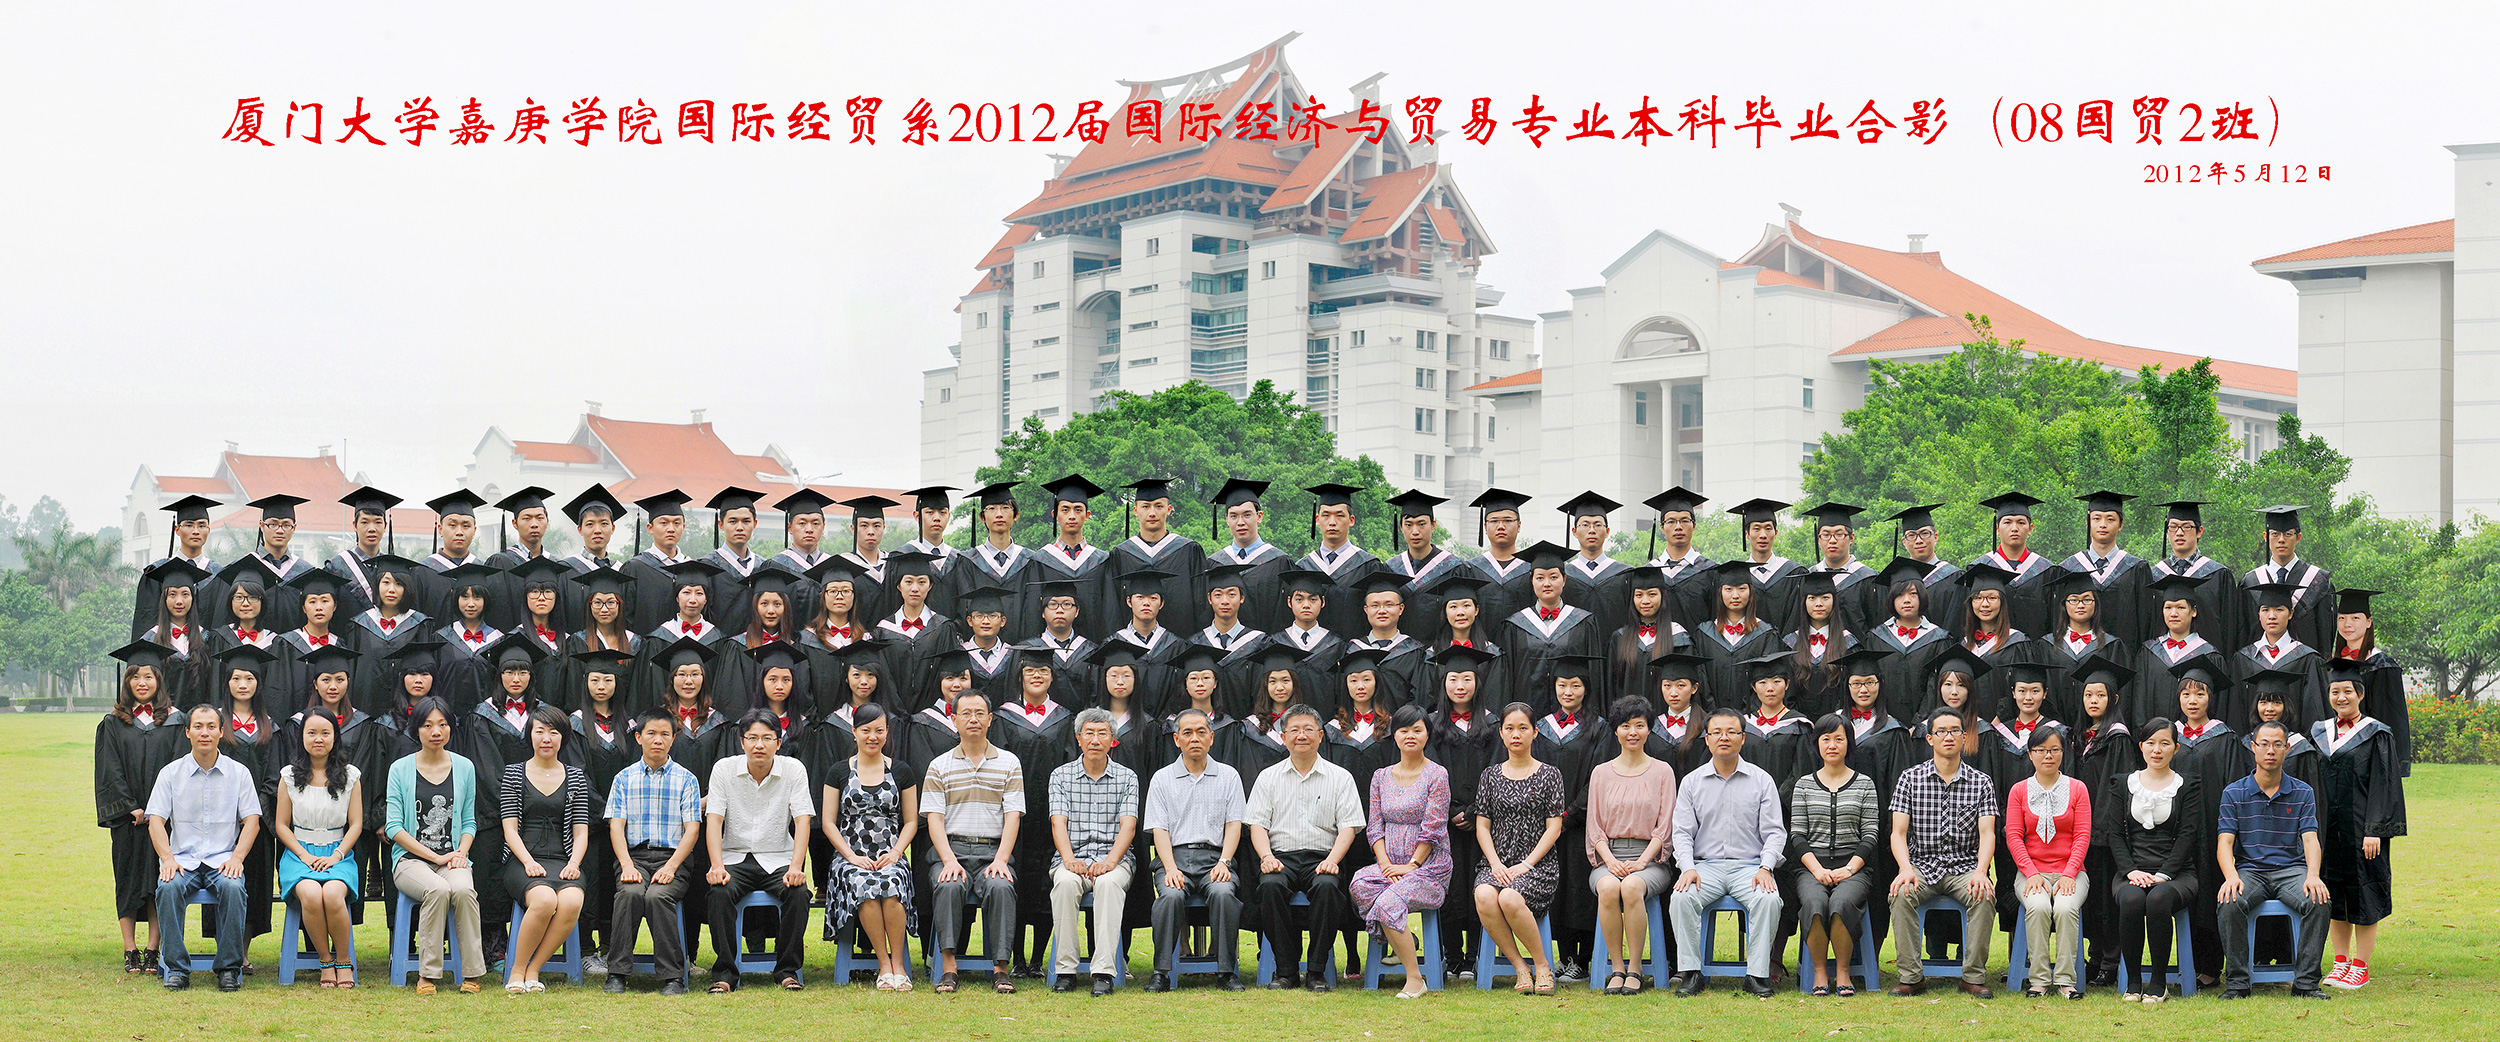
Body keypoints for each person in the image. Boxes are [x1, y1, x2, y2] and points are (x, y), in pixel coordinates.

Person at [1245, 704, 1367, 991]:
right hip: (1281, 858)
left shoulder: (1340, 777)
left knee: (1328, 888)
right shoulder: (1268, 777)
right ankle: (1286, 970)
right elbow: (1257, 825)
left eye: (1308, 729)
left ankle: (1316, 971)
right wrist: (1266, 857)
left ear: (1321, 735)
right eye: (1295, 730)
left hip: (1323, 857)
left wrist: (1333, 860)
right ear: (1283, 737)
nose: (1302, 735)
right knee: (1270, 886)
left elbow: (1348, 827)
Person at [1666, 708, 1787, 998]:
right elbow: (1681, 832)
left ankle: (1756, 975)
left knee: (1769, 900)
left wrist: (1766, 867)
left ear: (1743, 738)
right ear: (1707, 739)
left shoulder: (1761, 780)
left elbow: (1774, 832)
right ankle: (1691, 973)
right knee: (1681, 898)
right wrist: (1687, 867)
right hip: (1704, 867)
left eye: (1731, 732)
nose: (1724, 738)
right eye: (1717, 732)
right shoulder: (1692, 782)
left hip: (1750, 867)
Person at [146, 704, 264, 991]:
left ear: (222, 732)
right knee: (168, 888)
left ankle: (228, 968)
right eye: (198, 726)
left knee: (234, 888)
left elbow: (252, 821)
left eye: (211, 726)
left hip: (222, 860)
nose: (205, 733)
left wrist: (237, 858)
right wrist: (167, 859)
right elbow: (156, 821)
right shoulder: (170, 773)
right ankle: (177, 968)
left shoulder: (239, 773)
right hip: (182, 861)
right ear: (187, 732)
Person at [1885, 705, 1999, 999]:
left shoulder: (1981, 782)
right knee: (1901, 893)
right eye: (1941, 732)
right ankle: (1911, 977)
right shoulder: (1910, 778)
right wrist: (1905, 869)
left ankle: (1972, 977)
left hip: (1965, 867)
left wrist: (1981, 872)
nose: (1948, 737)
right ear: (1929, 738)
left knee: (1984, 895)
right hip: (1922, 865)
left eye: (1954, 731)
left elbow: (1987, 833)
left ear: (1964, 737)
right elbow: (1898, 833)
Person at [2214, 720, 2334, 999]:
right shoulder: (2234, 792)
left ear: (2287, 748)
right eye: (2264, 744)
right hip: (2250, 871)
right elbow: (2225, 843)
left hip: (2291, 871)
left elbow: (2310, 839)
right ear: (2253, 747)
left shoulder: (2302, 791)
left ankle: (2306, 983)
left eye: (2277, 744)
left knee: (2319, 900)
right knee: (2230, 901)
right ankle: (2237, 983)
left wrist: (2313, 875)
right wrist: (2231, 877)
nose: (2270, 750)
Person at [702, 710, 814, 992]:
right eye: (752, 738)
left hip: (777, 857)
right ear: (742, 742)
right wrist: (717, 866)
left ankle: (787, 970)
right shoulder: (724, 769)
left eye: (767, 738)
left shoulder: (793, 770)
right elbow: (714, 820)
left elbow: (803, 820)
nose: (759, 745)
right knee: (719, 893)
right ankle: (725, 973)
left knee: (798, 894)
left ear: (779, 742)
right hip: (734, 857)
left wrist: (796, 867)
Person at [922, 691, 1025, 994]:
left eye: (980, 713)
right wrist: (949, 860)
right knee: (949, 885)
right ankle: (949, 967)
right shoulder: (939, 765)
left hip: (993, 851)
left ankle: (1001, 969)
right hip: (951, 849)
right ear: (954, 719)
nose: (973, 719)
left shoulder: (1009, 762)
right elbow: (934, 819)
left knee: (1001, 886)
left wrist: (1001, 859)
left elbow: (1013, 816)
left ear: (990, 719)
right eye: (966, 713)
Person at [1351, 705, 1453, 999]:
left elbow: (1433, 827)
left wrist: (1412, 865)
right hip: (1391, 865)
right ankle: (1405, 940)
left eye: (1417, 730)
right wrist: (1385, 864)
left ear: (1427, 735)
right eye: (1403, 730)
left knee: (1387, 903)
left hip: (1428, 868)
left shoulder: (1437, 775)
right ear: (1394, 735)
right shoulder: (1381, 776)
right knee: (1360, 884)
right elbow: (1374, 827)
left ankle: (1415, 979)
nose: (1410, 735)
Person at [1143, 707, 1249, 993]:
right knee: (1170, 897)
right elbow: (1159, 829)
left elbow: (1234, 825)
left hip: (1215, 858)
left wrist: (1225, 862)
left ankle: (1225, 971)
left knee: (1224, 893)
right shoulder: (1162, 778)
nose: (1194, 738)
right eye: (1187, 733)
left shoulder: (1228, 776)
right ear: (1176, 739)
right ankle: (1161, 971)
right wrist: (1170, 868)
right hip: (1174, 857)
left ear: (1211, 738)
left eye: (1201, 732)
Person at [2315, 658, 2405, 990]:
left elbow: (2385, 784)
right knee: (2334, 896)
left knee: (2364, 897)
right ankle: (2340, 962)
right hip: (2329, 832)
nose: (2341, 697)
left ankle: (2360, 966)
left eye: (2347, 691)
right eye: (2335, 691)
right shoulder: (2319, 732)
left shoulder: (2376, 733)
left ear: (2360, 694)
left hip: (2363, 832)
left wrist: (2375, 830)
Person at [387, 696, 487, 994]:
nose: (436, 732)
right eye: (428, 725)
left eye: (442, 725)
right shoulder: (400, 769)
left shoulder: (464, 767)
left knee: (464, 890)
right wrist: (434, 856)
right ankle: (427, 974)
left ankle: (472, 972)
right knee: (438, 889)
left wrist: (461, 852)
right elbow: (394, 827)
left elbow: (469, 821)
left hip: (453, 857)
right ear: (416, 729)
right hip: (410, 860)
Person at [821, 703, 923, 992]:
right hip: (850, 857)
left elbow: (911, 821)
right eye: (866, 730)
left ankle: (899, 965)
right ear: (854, 732)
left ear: (887, 732)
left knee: (892, 884)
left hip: (890, 854)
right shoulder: (838, 771)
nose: (872, 737)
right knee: (864, 885)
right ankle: (884, 965)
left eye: (879, 730)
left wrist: (896, 853)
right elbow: (828, 822)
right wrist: (851, 856)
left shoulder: (901, 771)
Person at [97, 640, 184, 976]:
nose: (142, 682)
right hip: (128, 820)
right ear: (127, 681)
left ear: (159, 680)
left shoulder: (175, 720)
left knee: (159, 879)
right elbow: (109, 769)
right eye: (135, 676)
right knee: (128, 879)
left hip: (164, 821)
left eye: (149, 676)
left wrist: (159, 809)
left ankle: (152, 948)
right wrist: (131, 807)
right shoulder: (113, 722)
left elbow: (178, 768)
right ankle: (129, 948)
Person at [602, 711, 703, 995]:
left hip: (673, 859)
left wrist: (671, 867)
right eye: (651, 733)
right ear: (638, 737)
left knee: (658, 897)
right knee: (630, 893)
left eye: (664, 734)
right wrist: (626, 865)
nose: (658, 740)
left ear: (673, 739)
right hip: (633, 857)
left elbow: (692, 830)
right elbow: (616, 827)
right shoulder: (623, 779)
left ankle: (673, 977)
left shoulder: (686, 779)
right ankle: (617, 973)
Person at [1473, 702, 1566, 994]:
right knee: (1484, 894)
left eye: (1523, 728)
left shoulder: (1550, 775)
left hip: (1537, 866)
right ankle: (1520, 967)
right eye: (1510, 728)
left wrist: (1526, 865)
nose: (1516, 734)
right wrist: (1495, 864)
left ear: (1535, 732)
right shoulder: (1489, 776)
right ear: (1501, 733)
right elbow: (1482, 826)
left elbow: (1554, 828)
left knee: (1510, 897)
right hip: (1497, 863)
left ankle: (1542, 966)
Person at [2107, 717, 2202, 1002]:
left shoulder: (2187, 786)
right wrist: (2130, 871)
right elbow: (2115, 834)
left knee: (2159, 899)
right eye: (2150, 743)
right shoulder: (2123, 784)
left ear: (2176, 748)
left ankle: (2159, 982)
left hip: (2178, 873)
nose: (2157, 750)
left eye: (2164, 743)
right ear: (2141, 747)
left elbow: (2188, 836)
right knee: (2132, 899)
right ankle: (2134, 981)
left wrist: (2164, 874)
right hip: (2132, 871)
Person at [499, 705, 593, 993]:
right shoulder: (514, 774)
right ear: (530, 735)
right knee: (543, 900)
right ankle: (517, 969)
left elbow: (581, 831)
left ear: (563, 737)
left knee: (571, 901)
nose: (546, 738)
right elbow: (509, 830)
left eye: (554, 732)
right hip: (522, 860)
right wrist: (528, 862)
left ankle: (534, 968)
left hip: (563, 860)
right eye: (539, 731)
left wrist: (574, 863)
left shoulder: (576, 777)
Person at [1587, 695, 1676, 995]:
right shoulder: (1601, 773)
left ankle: (1635, 967)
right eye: (1625, 726)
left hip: (1650, 860)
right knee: (1609, 887)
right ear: (1616, 731)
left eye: (1639, 725)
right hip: (1609, 856)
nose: (1632, 732)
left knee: (1632, 886)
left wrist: (1641, 862)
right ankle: (1617, 967)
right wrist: (1610, 861)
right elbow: (1594, 827)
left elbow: (1665, 827)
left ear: (1649, 729)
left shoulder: (1662, 772)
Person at [1048, 707, 1141, 995]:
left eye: (1103, 733)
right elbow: (1058, 823)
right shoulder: (1061, 776)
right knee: (1065, 884)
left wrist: (1111, 861)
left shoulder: (1127, 778)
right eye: (1089, 733)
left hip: (1115, 860)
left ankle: (1103, 972)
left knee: (1109, 885)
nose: (1095, 740)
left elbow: (1128, 826)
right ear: (1078, 738)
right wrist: (1069, 860)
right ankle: (1066, 970)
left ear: (1113, 739)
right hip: (1071, 858)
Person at [1788, 712, 1880, 997]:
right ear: (1817, 744)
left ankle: (1842, 971)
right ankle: (1819, 971)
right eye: (1825, 739)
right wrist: (1817, 870)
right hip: (1811, 867)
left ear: (1848, 743)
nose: (1832, 745)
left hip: (1854, 866)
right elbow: (1797, 835)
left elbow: (1870, 834)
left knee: (1841, 902)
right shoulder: (1804, 785)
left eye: (1839, 739)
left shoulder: (1864, 784)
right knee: (1814, 902)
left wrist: (1849, 869)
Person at [275, 707, 363, 988]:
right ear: (302, 737)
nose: (318, 739)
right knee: (312, 894)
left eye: (325, 733)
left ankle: (343, 960)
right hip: (299, 854)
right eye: (311, 733)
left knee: (334, 894)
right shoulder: (288, 776)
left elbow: (356, 824)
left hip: (338, 852)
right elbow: (281, 825)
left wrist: (337, 855)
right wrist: (304, 855)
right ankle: (325, 961)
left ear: (335, 737)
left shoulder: (350, 775)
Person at [2005, 724, 2091, 998]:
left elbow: (2082, 835)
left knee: (2065, 908)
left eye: (2055, 750)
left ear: (2063, 753)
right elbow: (2014, 836)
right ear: (2030, 754)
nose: (2048, 756)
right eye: (2041, 750)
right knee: (2039, 906)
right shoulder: (2019, 790)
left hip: (2072, 872)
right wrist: (2031, 873)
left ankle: (2066, 981)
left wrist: (2069, 872)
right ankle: (2039, 980)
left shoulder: (2077, 789)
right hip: (2031, 872)